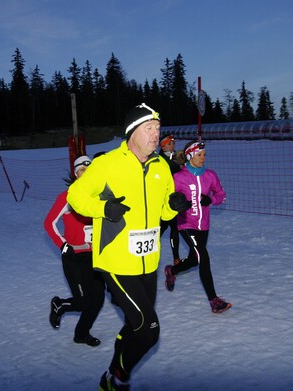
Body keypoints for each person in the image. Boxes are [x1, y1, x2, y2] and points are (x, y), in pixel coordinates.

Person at [67, 103, 191, 391]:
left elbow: (162, 212)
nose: (155, 134)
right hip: (116, 261)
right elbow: (76, 195)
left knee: (135, 325)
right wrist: (103, 208)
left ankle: (111, 373)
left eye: (158, 128)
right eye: (149, 128)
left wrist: (173, 207)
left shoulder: (161, 166)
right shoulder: (108, 163)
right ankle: (117, 378)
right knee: (149, 329)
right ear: (132, 132)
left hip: (148, 261)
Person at [163, 140, 232, 314]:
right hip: (186, 223)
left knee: (195, 259)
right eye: (200, 155)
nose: (203, 158)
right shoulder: (179, 177)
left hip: (204, 225)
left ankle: (172, 270)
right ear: (190, 156)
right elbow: (167, 198)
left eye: (204, 155)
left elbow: (221, 195)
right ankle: (214, 300)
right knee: (204, 257)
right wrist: (177, 203)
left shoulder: (210, 175)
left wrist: (212, 200)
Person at [44, 155, 105, 347]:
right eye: (82, 171)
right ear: (76, 174)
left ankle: (81, 334)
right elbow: (49, 223)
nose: (85, 174)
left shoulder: (98, 196)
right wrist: (63, 245)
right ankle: (59, 305)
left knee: (98, 299)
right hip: (74, 257)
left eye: (89, 170)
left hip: (94, 257)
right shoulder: (68, 196)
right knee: (83, 300)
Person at [158, 134, 187, 265]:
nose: (172, 145)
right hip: (163, 200)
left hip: (176, 199)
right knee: (160, 228)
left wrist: (184, 165)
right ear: (162, 146)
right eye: (169, 143)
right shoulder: (158, 159)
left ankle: (176, 258)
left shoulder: (178, 157)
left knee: (175, 229)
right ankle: (149, 250)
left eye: (173, 143)